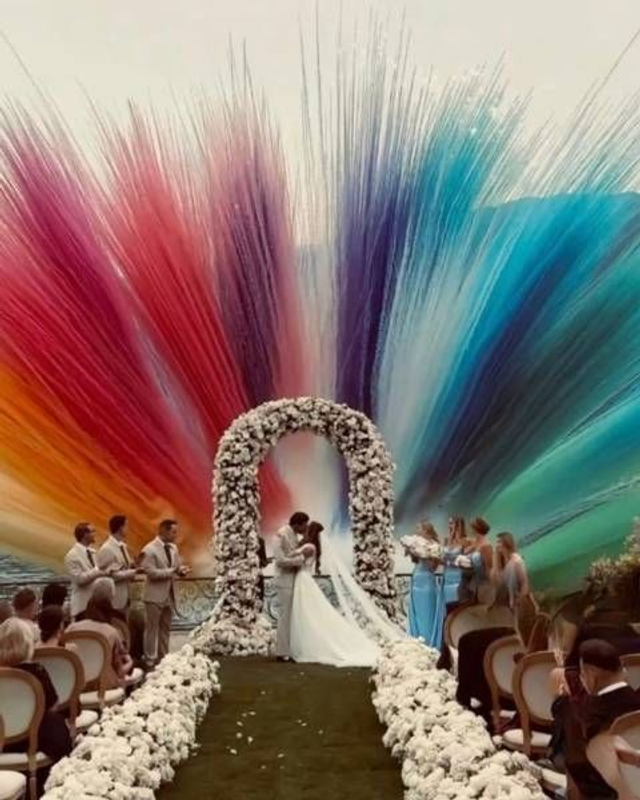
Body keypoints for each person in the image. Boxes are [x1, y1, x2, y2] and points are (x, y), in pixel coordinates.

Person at [551, 639, 640, 799]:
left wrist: (560, 702)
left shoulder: (580, 713)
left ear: (591, 676)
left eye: (582, 673)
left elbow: (574, 765)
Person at [289, 538, 381, 667]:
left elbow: (294, 555)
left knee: (307, 609)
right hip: (303, 579)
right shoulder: (311, 547)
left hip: (304, 579)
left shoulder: (309, 546)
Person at [0, 618, 72, 769]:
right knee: (56, 722)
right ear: (28, 644)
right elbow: (53, 706)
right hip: (31, 738)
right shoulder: (36, 671)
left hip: (2, 741)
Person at [140, 519, 190, 668]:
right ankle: (149, 659)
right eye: (174, 532)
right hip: (153, 596)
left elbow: (175, 568)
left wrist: (181, 571)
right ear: (164, 531)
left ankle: (163, 658)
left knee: (165, 629)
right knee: (151, 629)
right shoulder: (149, 549)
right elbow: (151, 573)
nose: (176, 535)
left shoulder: (174, 548)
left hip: (170, 595)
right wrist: (172, 571)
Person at [67, 578, 133, 687]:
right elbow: (120, 666)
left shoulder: (72, 627)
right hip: (103, 684)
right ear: (112, 597)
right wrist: (131, 662)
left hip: (76, 683)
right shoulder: (112, 631)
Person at [273, 512, 309, 662]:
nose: (306, 527)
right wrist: (300, 560)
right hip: (284, 581)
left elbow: (291, 554)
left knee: (292, 616)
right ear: (297, 524)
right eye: (304, 524)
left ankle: (291, 649)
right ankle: (282, 652)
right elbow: (280, 560)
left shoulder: (294, 535)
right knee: (285, 616)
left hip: (293, 580)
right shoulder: (281, 534)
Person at [406, 522, 445, 648]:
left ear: (426, 530)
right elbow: (415, 561)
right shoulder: (417, 542)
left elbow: (435, 566)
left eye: (419, 528)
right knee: (417, 614)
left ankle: (429, 642)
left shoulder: (434, 545)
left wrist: (428, 556)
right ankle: (417, 640)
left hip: (427, 582)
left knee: (427, 613)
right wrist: (411, 552)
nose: (416, 530)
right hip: (416, 580)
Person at [65, 522, 112, 619]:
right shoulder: (72, 555)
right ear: (85, 534)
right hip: (83, 607)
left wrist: (110, 570)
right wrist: (98, 569)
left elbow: (99, 572)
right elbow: (79, 580)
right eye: (93, 531)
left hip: (97, 606)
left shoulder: (93, 552)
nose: (95, 534)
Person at [97, 515, 138, 612]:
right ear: (120, 528)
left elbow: (121, 566)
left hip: (126, 596)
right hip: (115, 599)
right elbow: (110, 575)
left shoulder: (122, 546)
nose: (128, 529)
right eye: (126, 526)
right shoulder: (107, 548)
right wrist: (134, 572)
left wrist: (133, 564)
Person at [458, 517, 494, 604]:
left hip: (479, 583)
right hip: (468, 582)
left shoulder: (486, 546)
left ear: (476, 529)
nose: (470, 530)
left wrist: (491, 585)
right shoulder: (475, 542)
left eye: (471, 528)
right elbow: (463, 551)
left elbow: (489, 567)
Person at [443, 516, 466, 607]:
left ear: (458, 525)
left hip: (458, 576)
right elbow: (443, 557)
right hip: (447, 575)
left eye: (451, 523)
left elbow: (465, 560)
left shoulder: (465, 541)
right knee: (445, 604)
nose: (449, 526)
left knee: (456, 604)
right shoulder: (446, 540)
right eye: (449, 523)